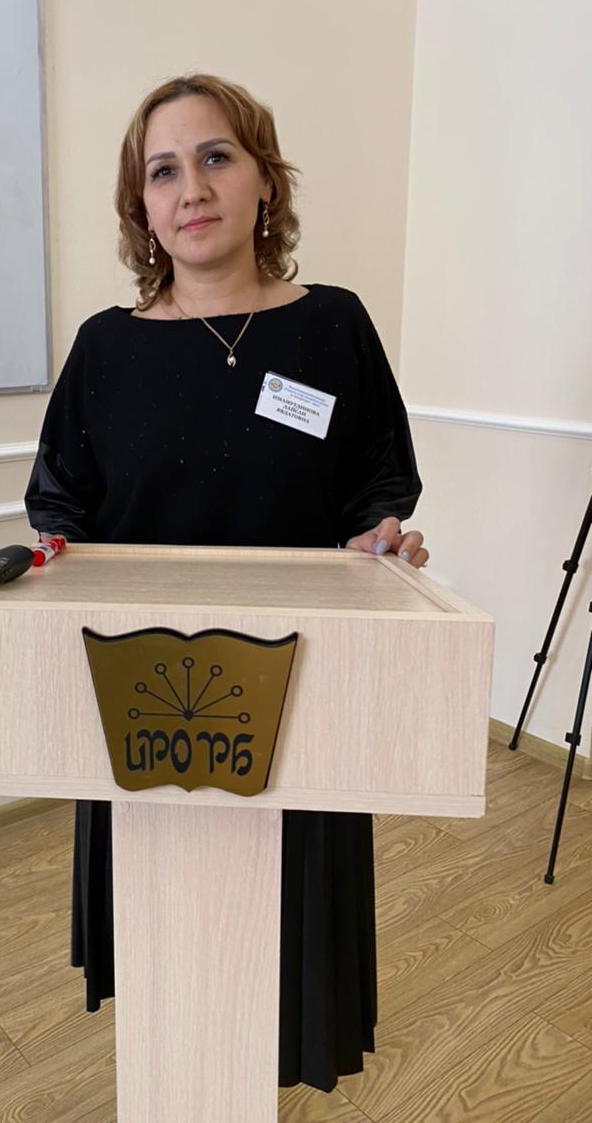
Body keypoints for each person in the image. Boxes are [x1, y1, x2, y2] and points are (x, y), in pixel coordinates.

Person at [24, 72, 427, 1093]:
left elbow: (375, 479)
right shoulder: (105, 348)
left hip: (300, 681)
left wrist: (378, 535)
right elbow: (60, 496)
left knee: (285, 937)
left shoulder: (332, 325)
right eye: (162, 170)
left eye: (215, 157)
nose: (192, 188)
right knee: (170, 942)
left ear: (264, 180)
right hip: (146, 694)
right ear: (142, 206)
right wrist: (55, 560)